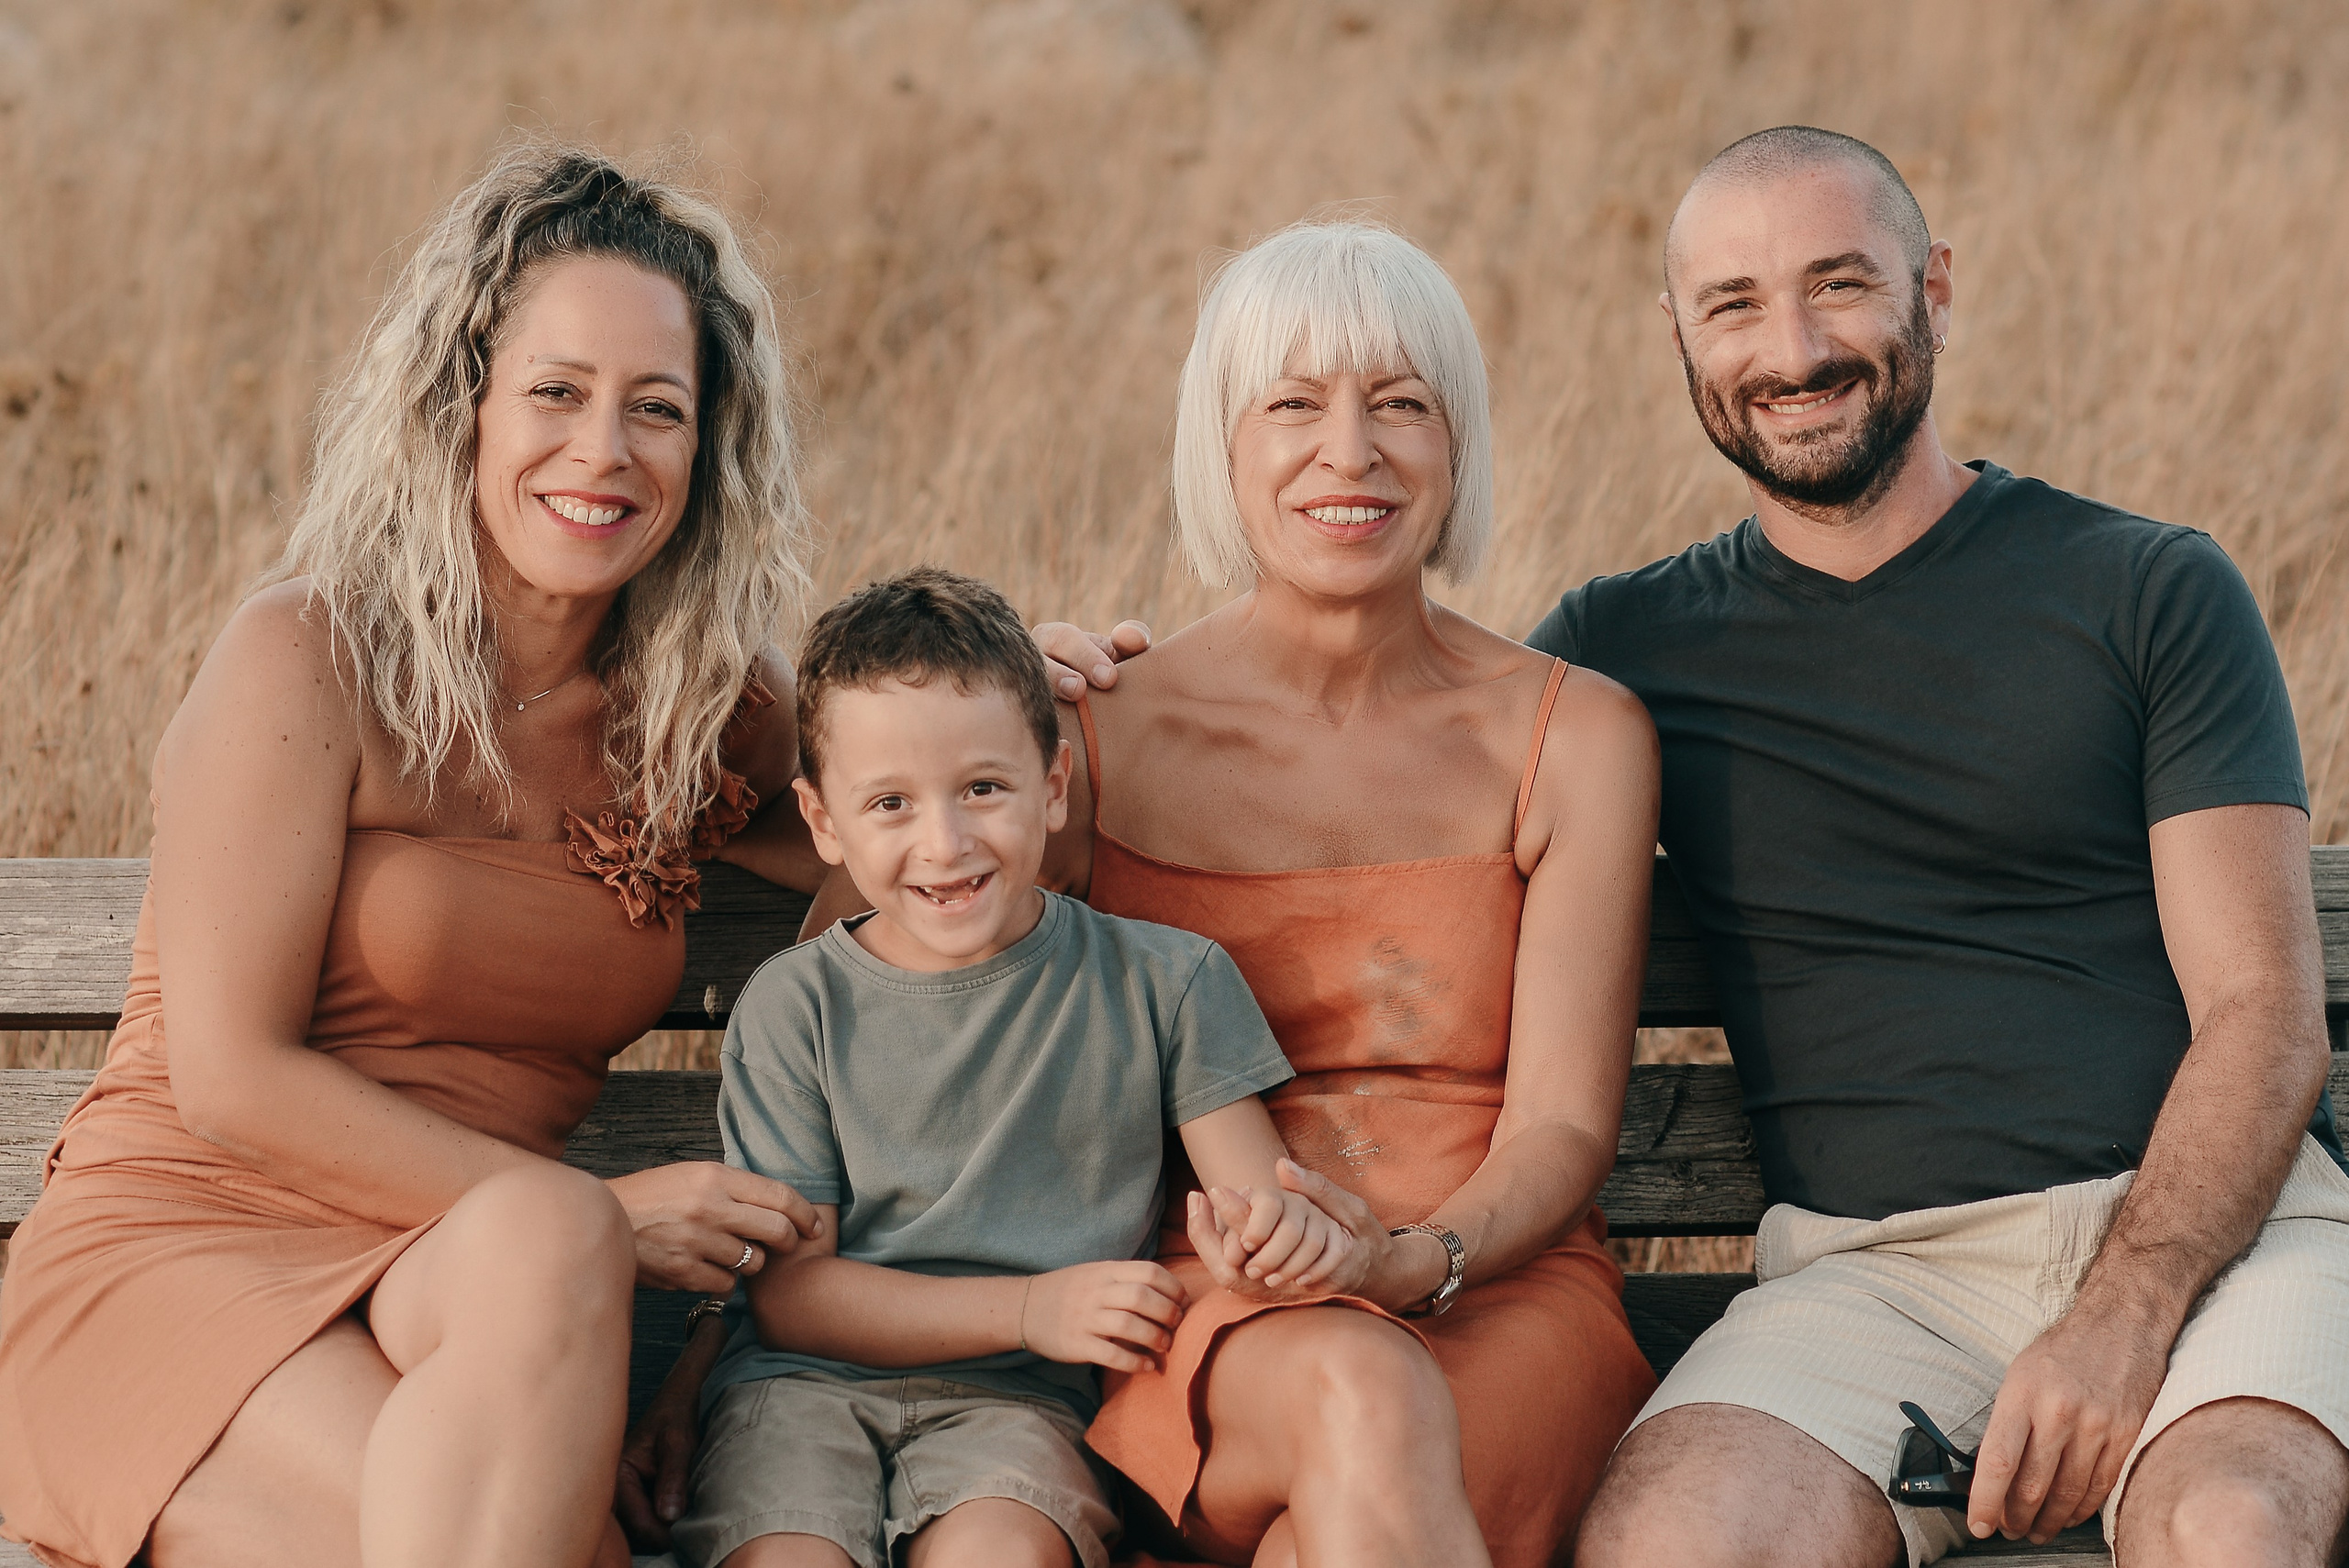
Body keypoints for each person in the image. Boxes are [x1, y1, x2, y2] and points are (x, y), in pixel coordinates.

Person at [1048, 127, 2349, 1567]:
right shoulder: (1630, 649)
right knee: (1672, 1542)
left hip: (2204, 1238)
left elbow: (2267, 1014)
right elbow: (1378, 759)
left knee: (2228, 1524)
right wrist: (1016, 717)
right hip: (1875, 1278)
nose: (1790, 349)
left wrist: (2122, 1317)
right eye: (1734, 305)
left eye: (1839, 286)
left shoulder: (2150, 588)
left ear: (1936, 288)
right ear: (1681, 335)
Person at [622, 220, 1663, 1567]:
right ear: (1222, 448)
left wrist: (1410, 1260)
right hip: (1218, 1294)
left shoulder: (1576, 736)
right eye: (1293, 405)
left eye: (1400, 403)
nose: (1350, 451)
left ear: (1456, 439)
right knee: (1357, 1391)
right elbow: (886, 1015)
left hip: (1496, 1282)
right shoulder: (1100, 730)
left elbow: (1568, 1123)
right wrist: (716, 1359)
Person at [0, 146, 831, 1568]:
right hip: (184, 1248)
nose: (603, 452)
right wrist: (606, 1210)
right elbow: (230, 1075)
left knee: (543, 1263)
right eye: (556, 393)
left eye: (657, 409)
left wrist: (1032, 688)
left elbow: (900, 837)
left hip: (477, 1291)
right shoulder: (309, 657)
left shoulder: (699, 705)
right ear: (464, 405)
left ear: (706, 449)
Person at [674, 566, 1358, 1568]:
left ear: (1052, 786)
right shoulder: (797, 1005)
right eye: (891, 802)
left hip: (1022, 1399)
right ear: (824, 820)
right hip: (797, 1385)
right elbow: (792, 1295)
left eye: (983, 789)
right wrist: (1035, 1306)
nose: (944, 843)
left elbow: (1254, 1201)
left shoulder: (1165, 982)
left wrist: (1279, 1234)